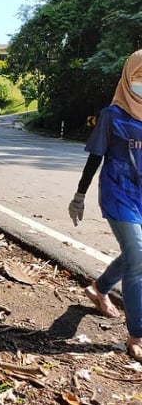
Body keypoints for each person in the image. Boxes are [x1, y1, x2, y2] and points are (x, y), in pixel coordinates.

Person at [68, 49, 142, 361]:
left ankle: (99, 288)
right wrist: (79, 195)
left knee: (133, 253)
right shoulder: (112, 116)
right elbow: (95, 158)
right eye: (139, 77)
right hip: (117, 194)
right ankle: (136, 335)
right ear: (128, 77)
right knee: (138, 258)